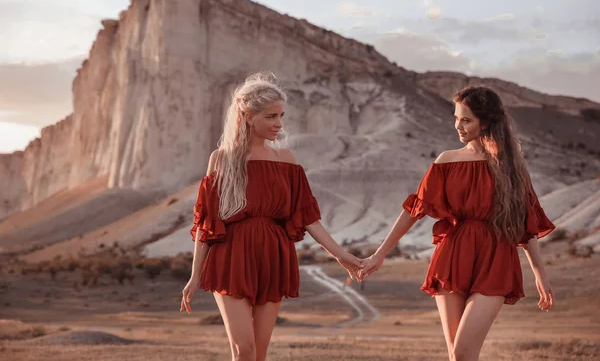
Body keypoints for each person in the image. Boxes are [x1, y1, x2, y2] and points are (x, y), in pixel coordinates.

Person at [358, 86, 556, 361]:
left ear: (485, 122)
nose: (458, 126)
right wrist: (380, 254)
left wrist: (540, 276)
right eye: (456, 118)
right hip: (453, 256)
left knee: (463, 352)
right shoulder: (447, 161)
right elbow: (415, 210)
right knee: (457, 356)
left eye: (466, 120)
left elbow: (527, 225)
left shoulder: (512, 167)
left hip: (496, 258)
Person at [180, 72, 363, 361]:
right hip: (231, 258)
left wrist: (340, 255)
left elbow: (307, 217)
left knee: (259, 354)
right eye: (271, 116)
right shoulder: (221, 159)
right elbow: (205, 222)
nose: (279, 123)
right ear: (248, 116)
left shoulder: (287, 161)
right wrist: (194, 276)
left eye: (281, 115)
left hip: (274, 256)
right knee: (244, 351)